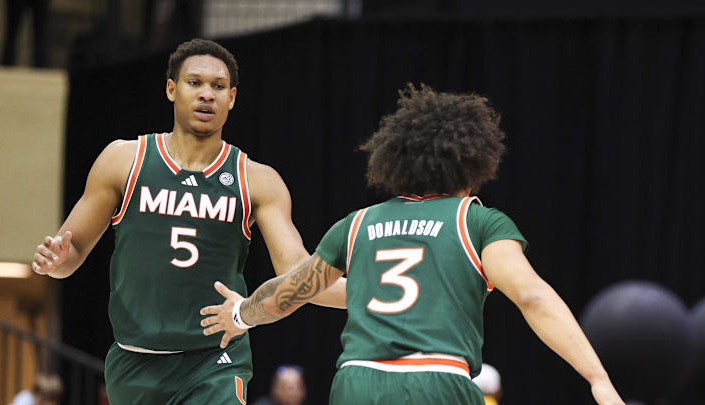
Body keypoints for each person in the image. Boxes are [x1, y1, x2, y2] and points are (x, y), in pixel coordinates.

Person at [200, 84, 626, 404]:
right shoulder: (476, 221)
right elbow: (532, 296)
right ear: (474, 165)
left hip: (357, 382)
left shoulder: (359, 224)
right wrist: (598, 379)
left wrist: (241, 313)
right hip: (436, 379)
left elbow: (290, 293)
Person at [31, 38, 345, 405]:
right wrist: (57, 261)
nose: (207, 95)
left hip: (216, 358)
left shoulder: (256, 179)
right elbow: (73, 254)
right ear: (171, 89)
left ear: (232, 98)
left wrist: (374, 293)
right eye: (195, 83)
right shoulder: (124, 160)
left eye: (218, 86)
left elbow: (298, 275)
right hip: (136, 358)